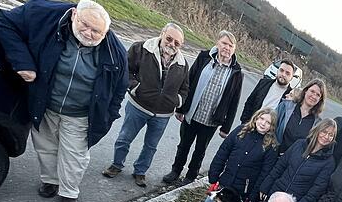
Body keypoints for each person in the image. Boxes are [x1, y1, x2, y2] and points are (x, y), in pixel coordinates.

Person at [0, 0, 128, 202]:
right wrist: (23, 63)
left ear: (105, 33)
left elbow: (119, 89)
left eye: (96, 32)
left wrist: (108, 115)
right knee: (46, 147)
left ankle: (69, 191)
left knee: (74, 156)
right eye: (85, 25)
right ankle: (50, 181)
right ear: (74, 14)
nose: (89, 33)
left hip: (80, 114)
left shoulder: (115, 52)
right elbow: (3, 23)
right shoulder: (43, 14)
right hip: (46, 105)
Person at [102, 23, 189, 187]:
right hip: (138, 106)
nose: (172, 44)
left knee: (151, 146)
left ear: (181, 45)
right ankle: (116, 165)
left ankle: (140, 172)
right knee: (124, 138)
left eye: (177, 43)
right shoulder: (141, 48)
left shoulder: (183, 63)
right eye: (169, 39)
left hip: (163, 114)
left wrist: (177, 101)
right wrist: (135, 87)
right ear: (162, 34)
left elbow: (185, 88)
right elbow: (125, 70)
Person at [172, 108, 279, 202]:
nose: (263, 123)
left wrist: (253, 194)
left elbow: (265, 173)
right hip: (227, 180)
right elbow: (223, 152)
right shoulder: (241, 131)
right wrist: (214, 174)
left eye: (268, 122)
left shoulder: (271, 146)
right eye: (261, 118)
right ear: (256, 118)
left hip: (243, 188)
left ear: (272, 126)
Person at [162, 30, 243, 185]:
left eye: (231, 45)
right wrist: (181, 109)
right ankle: (175, 171)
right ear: (217, 43)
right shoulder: (204, 57)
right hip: (193, 113)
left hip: (211, 120)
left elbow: (234, 101)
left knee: (200, 150)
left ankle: (190, 176)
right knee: (184, 145)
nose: (227, 47)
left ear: (234, 49)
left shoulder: (236, 72)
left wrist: (226, 127)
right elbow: (188, 82)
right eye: (224, 43)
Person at [259, 119, 337, 202]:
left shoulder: (329, 162)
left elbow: (314, 194)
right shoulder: (299, 144)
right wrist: (265, 187)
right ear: (317, 130)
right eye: (324, 132)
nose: (326, 137)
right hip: (274, 195)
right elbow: (279, 167)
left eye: (331, 135)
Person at [275, 79, 326, 154]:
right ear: (305, 91)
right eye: (312, 91)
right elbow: (271, 127)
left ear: (320, 99)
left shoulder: (317, 123)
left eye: (318, 95)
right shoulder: (285, 106)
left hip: (293, 163)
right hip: (273, 155)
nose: (314, 96)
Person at [240, 59, 295, 124]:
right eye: (281, 70)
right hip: (252, 124)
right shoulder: (263, 83)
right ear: (277, 71)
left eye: (287, 73)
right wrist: (245, 123)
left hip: (269, 131)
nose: (283, 74)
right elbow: (249, 102)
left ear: (292, 77)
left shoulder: (291, 95)